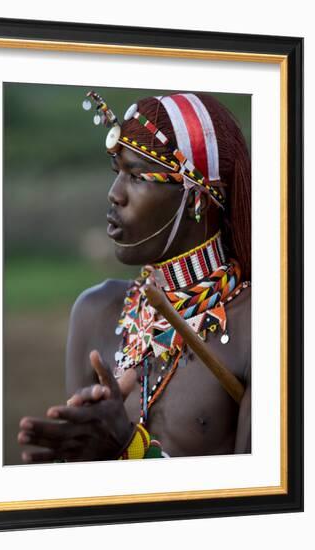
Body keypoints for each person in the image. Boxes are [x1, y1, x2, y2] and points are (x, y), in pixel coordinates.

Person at [17, 90, 251, 463]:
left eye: (138, 177)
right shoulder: (95, 311)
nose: (114, 195)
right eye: (117, 173)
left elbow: (256, 505)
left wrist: (131, 450)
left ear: (196, 199)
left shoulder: (260, 327)